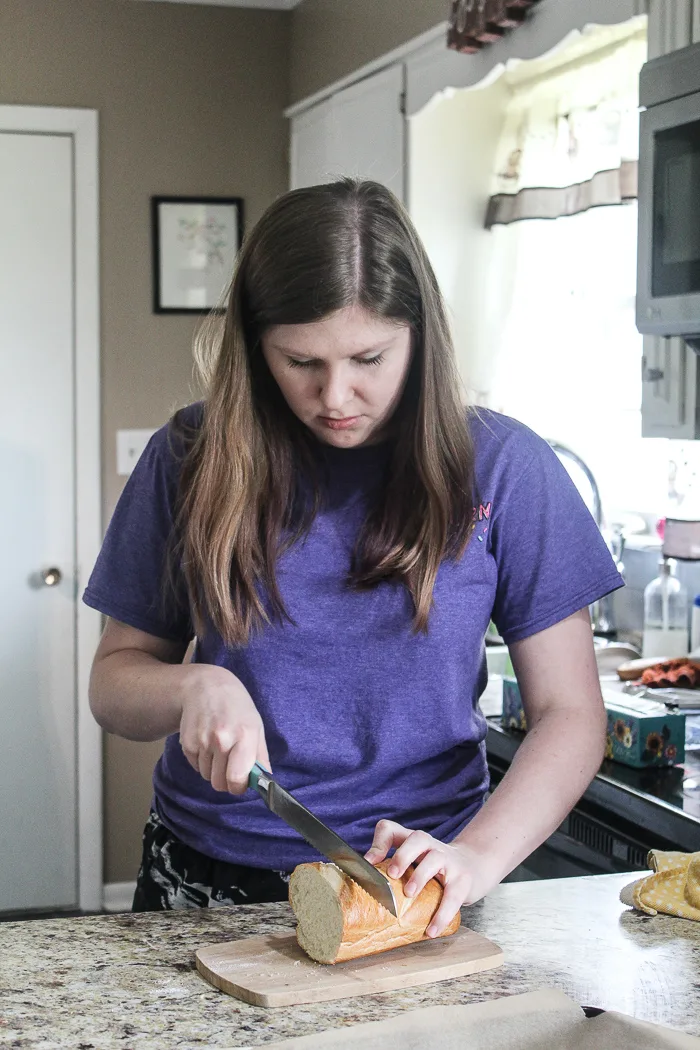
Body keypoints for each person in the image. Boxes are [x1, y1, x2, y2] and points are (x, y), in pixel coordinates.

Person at [85, 178, 623, 933]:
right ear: (254, 346)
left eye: (369, 357)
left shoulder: (506, 468)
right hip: (204, 878)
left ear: (419, 335)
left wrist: (475, 858)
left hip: (420, 884)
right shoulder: (189, 456)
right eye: (300, 360)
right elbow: (112, 685)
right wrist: (189, 686)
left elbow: (570, 715)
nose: (336, 395)